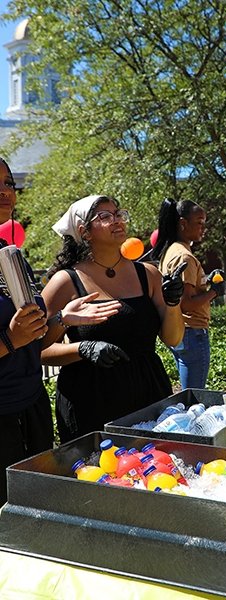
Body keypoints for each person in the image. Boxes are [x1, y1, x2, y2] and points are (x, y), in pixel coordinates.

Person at [0, 162, 121, 503]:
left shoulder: (11, 256)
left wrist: (64, 319)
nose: (5, 191)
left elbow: (34, 340)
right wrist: (10, 340)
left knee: (35, 509)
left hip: (31, 407)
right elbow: (17, 338)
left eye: (8, 182)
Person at [41, 195, 185, 442]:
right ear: (84, 231)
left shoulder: (148, 274)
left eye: (118, 214)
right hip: (91, 400)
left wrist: (173, 304)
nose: (117, 221)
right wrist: (83, 348)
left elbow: (173, 338)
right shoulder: (65, 281)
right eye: (105, 217)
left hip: (148, 395)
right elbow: (36, 349)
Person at [152, 198, 225, 389]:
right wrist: (214, 293)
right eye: (199, 222)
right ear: (183, 224)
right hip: (192, 332)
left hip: (179, 330)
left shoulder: (172, 250)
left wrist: (207, 281)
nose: (203, 228)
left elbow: (185, 289)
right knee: (194, 396)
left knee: (188, 394)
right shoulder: (184, 256)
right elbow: (186, 302)